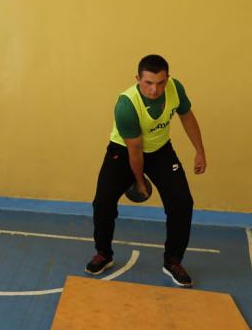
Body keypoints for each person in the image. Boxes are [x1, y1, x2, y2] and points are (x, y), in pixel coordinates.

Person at [85, 54, 206, 287]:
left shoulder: (175, 88)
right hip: (124, 152)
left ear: (167, 78)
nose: (154, 90)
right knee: (103, 202)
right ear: (138, 79)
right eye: (148, 83)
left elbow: (187, 117)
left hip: (161, 151)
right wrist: (140, 182)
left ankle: (173, 262)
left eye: (160, 82)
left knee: (182, 203)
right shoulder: (126, 105)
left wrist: (199, 151)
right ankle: (103, 253)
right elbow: (135, 151)